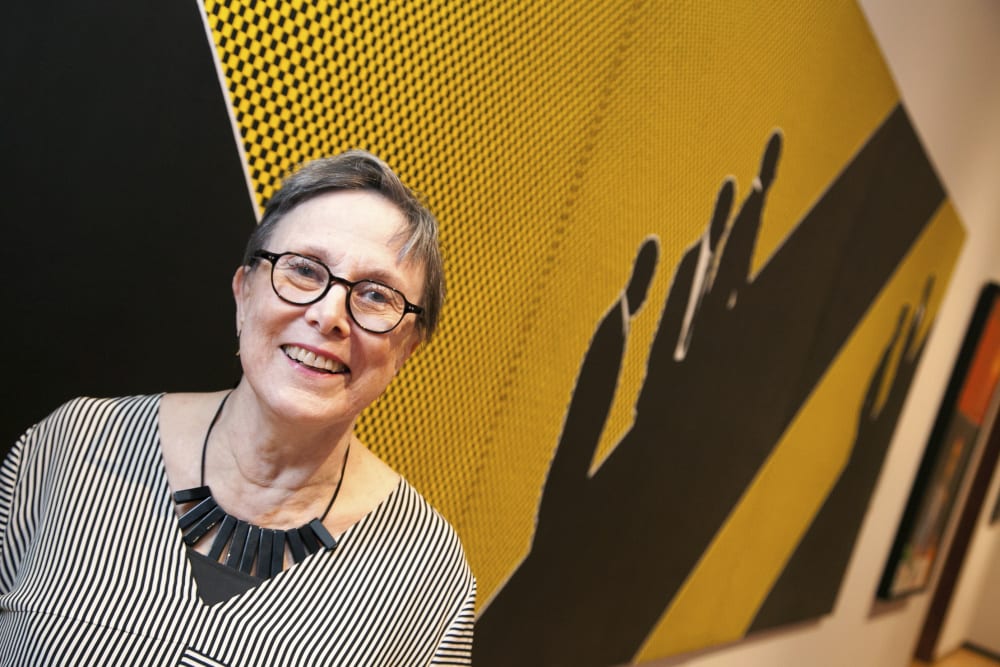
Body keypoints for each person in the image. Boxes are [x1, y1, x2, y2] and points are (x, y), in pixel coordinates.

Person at [0, 150, 476, 666]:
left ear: (408, 349)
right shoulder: (73, 443)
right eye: (302, 270)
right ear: (244, 293)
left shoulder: (430, 578)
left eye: (376, 296)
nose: (328, 315)